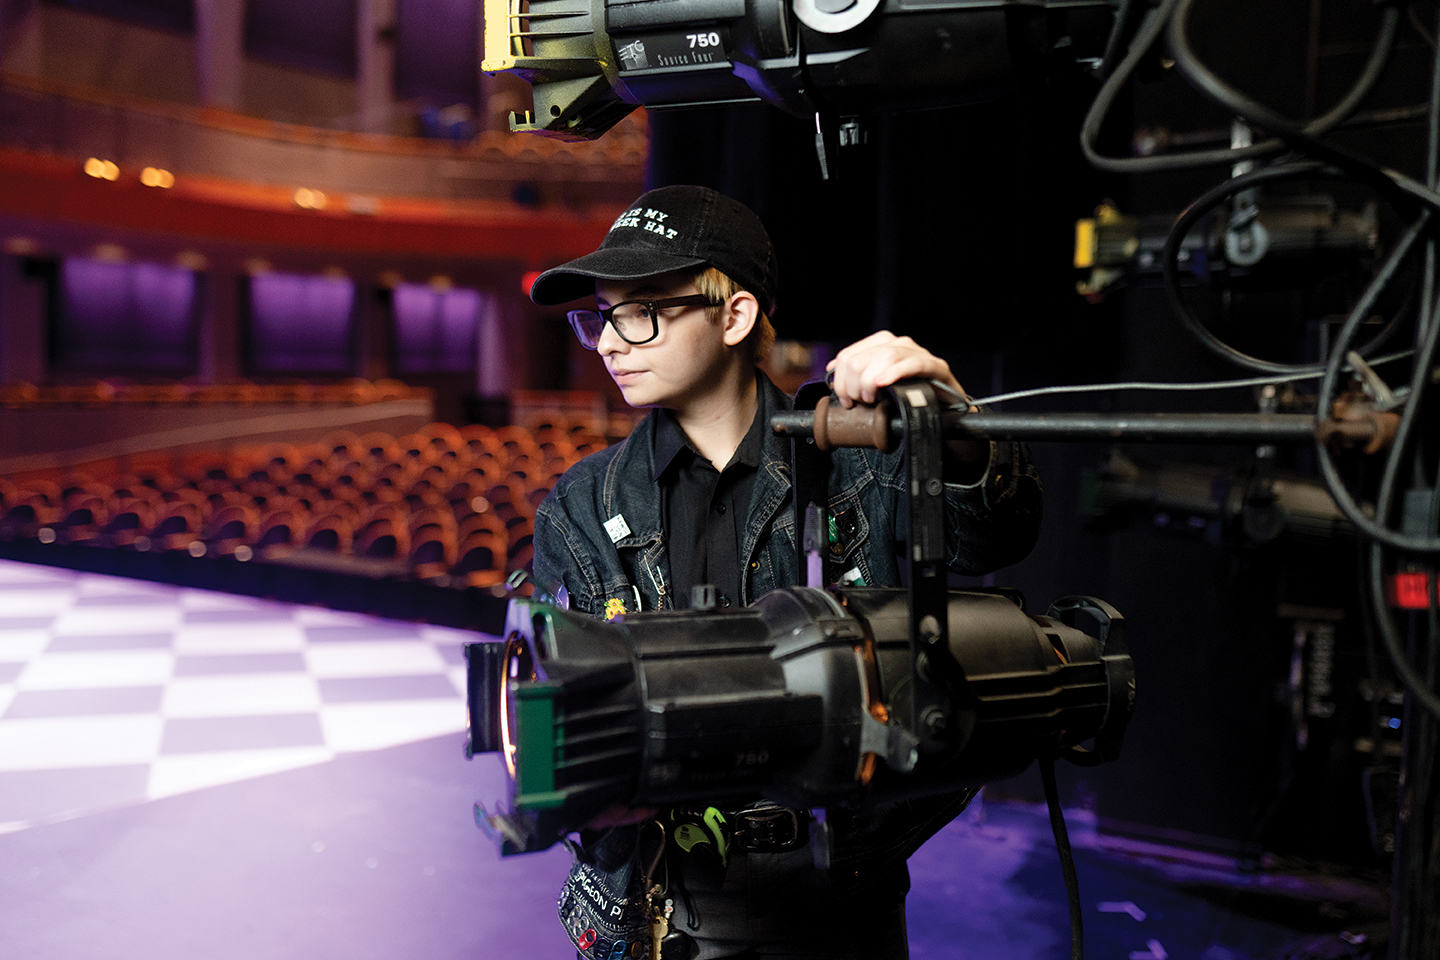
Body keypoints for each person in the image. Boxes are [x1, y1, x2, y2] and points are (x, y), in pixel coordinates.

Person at [528, 184, 1042, 960]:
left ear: (734, 316)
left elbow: (996, 533)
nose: (608, 344)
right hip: (652, 909)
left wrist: (951, 420)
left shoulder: (857, 457)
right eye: (600, 317)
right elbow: (548, 704)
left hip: (843, 899)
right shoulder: (582, 503)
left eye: (642, 313)